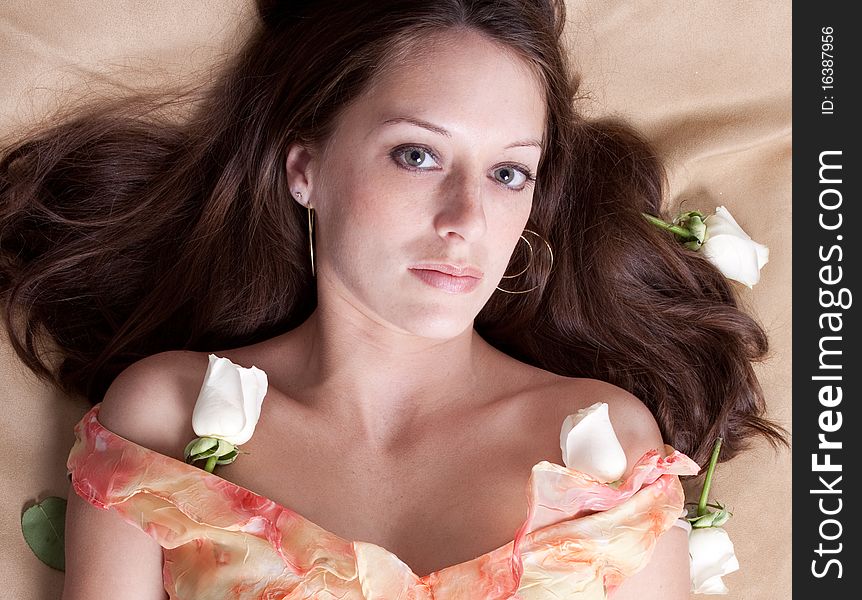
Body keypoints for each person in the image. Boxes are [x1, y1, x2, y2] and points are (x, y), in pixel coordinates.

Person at [0, 0, 787, 598]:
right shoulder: (161, 417)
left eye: (507, 173)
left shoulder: (605, 442)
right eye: (417, 155)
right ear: (304, 168)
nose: (465, 220)